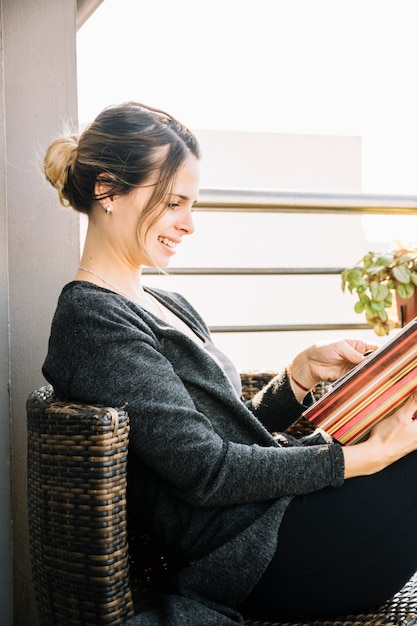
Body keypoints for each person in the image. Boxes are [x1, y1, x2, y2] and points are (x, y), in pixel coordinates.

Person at [42, 101, 417, 626]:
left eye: (191, 204)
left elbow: (228, 437)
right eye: (174, 202)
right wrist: (361, 459)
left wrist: (298, 376)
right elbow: (207, 472)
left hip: (283, 520)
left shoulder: (166, 303)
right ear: (108, 189)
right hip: (262, 555)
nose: (189, 224)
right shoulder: (94, 320)